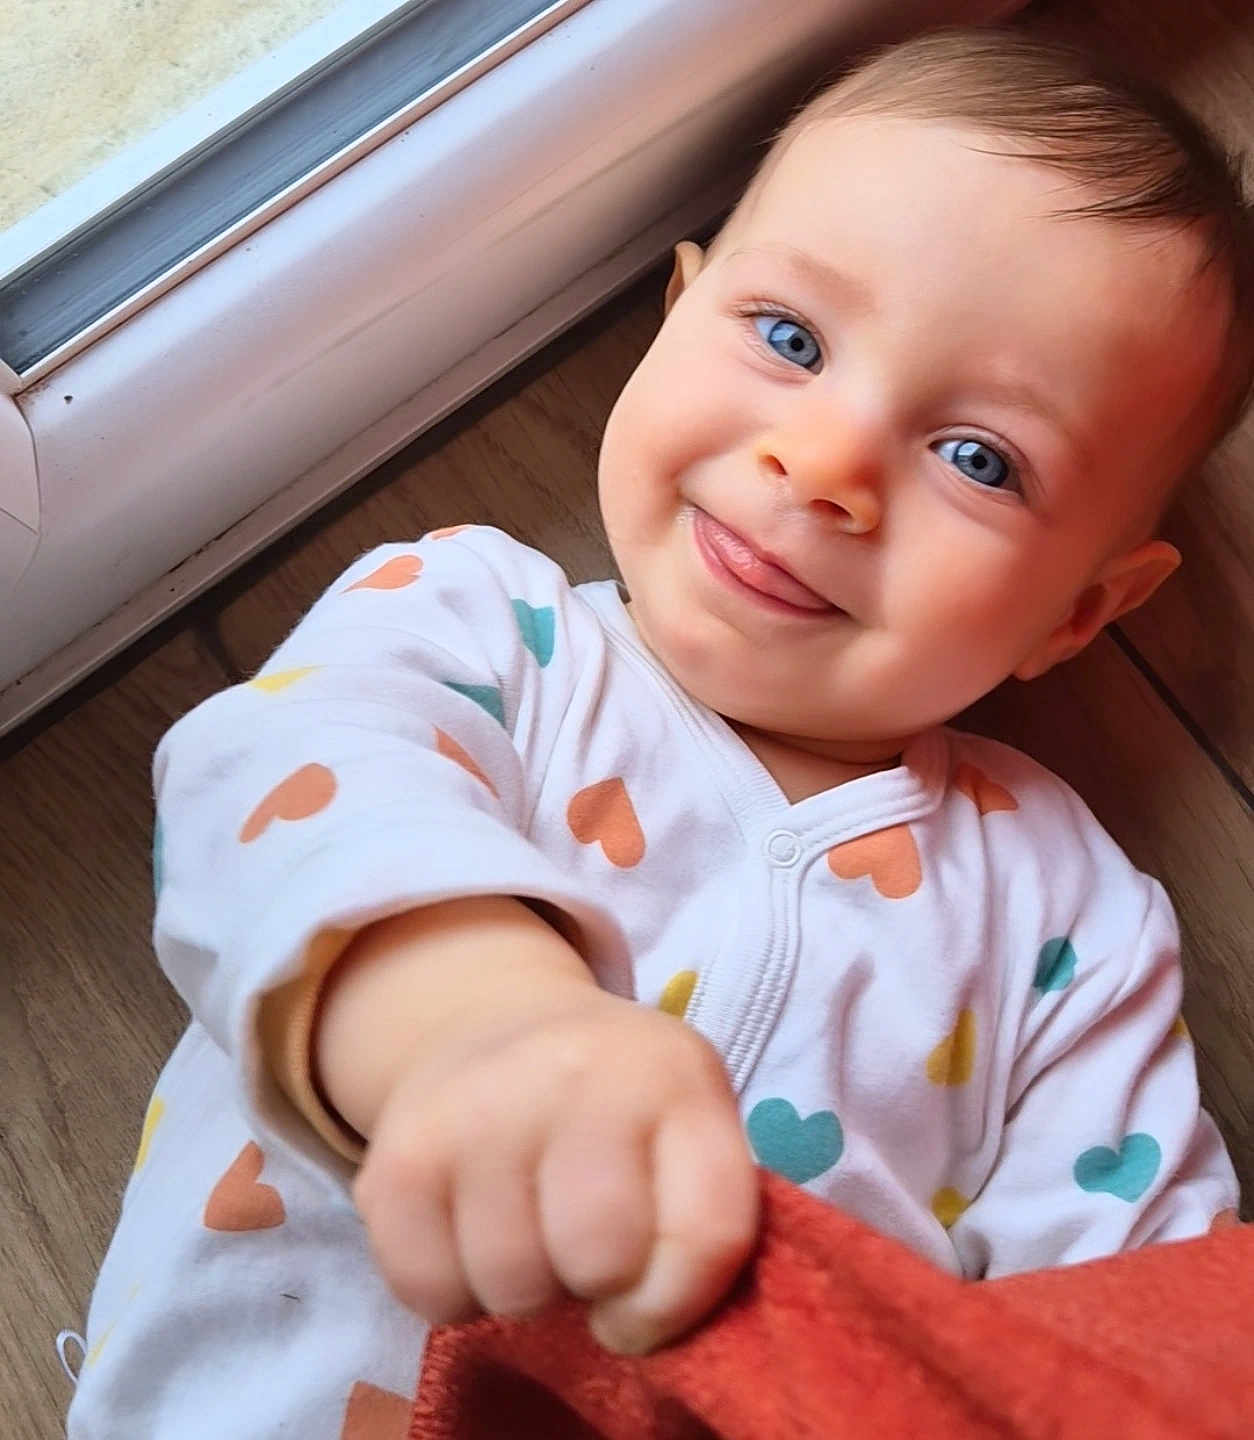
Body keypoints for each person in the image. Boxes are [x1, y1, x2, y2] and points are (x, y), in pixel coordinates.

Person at [65, 27, 1251, 1439]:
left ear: (1079, 611)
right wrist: (467, 1023)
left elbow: (1120, 1334)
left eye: (979, 459)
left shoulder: (1068, 920)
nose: (825, 465)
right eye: (790, 339)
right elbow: (268, 794)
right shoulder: (479, 623)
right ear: (673, 314)